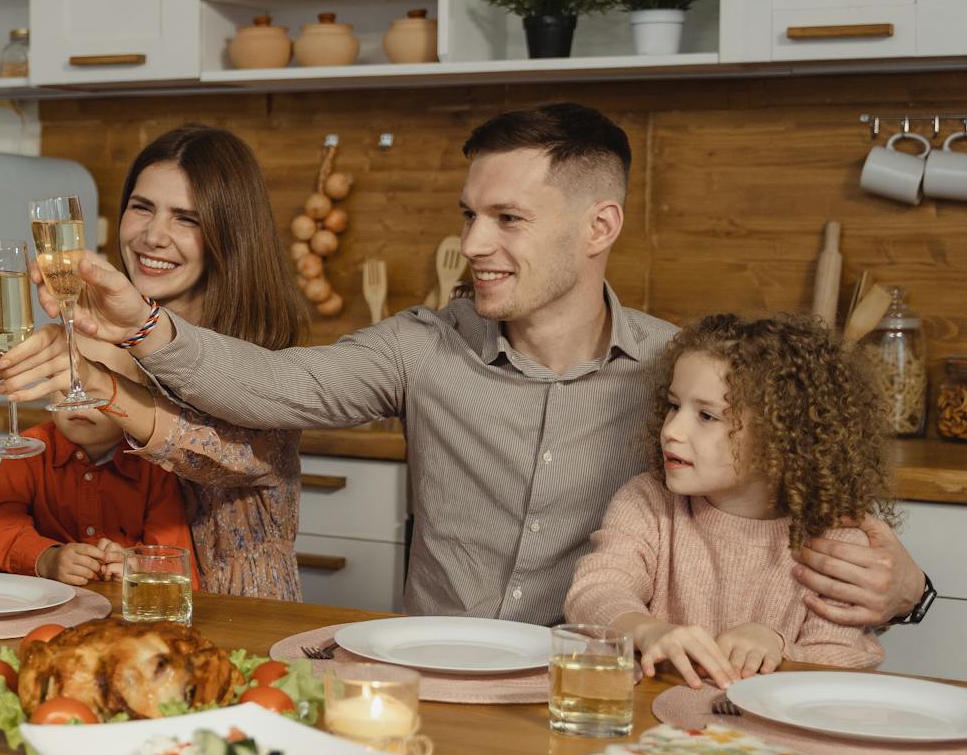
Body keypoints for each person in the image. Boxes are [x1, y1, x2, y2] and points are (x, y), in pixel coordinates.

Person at [52, 103, 925, 627]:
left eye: (506, 220)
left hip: (597, 691)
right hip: (431, 683)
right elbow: (276, 386)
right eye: (470, 214)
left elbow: (800, 514)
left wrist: (908, 587)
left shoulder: (680, 375)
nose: (472, 244)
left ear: (599, 227)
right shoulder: (423, 345)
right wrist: (143, 325)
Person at [0, 125, 308, 599]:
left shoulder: (267, 356)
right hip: (129, 615)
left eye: (188, 218)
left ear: (230, 233)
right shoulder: (107, 334)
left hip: (241, 617)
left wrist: (100, 384)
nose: (154, 236)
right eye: (142, 208)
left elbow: (218, 454)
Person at [565, 313, 893, 687]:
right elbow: (596, 590)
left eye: (706, 416)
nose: (671, 430)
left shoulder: (837, 542)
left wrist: (778, 647)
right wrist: (646, 630)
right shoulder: (648, 502)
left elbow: (839, 666)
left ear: (782, 439)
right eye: (674, 405)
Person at [0, 386, 197, 588]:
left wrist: (137, 565)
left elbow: (175, 558)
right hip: (44, 605)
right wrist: (47, 559)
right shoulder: (28, 450)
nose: (77, 400)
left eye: (97, 389)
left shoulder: (155, 463)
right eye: (64, 385)